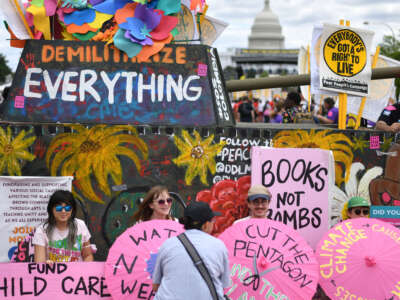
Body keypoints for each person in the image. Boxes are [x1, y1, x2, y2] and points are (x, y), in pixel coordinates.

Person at [152, 201, 230, 300]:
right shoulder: (219, 246)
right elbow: (224, 285)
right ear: (205, 225)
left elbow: (155, 286)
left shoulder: (167, 245)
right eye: (212, 221)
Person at [33, 190, 93, 263]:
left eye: (67, 208)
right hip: (52, 273)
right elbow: (39, 263)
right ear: (51, 209)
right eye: (59, 208)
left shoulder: (80, 225)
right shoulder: (42, 230)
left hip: (77, 273)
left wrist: (84, 271)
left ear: (72, 210)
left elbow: (88, 255)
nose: (63, 211)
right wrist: (46, 265)